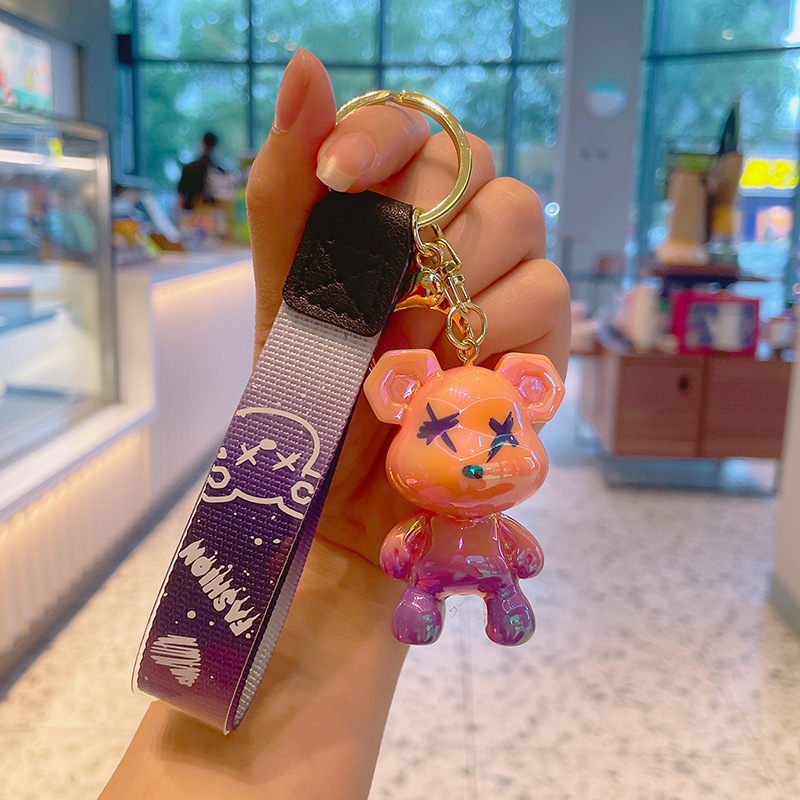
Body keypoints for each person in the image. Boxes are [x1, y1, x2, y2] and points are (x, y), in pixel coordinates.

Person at [101, 48, 570, 800]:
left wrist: (346, 579)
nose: (478, 459)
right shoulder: (368, 406)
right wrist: (330, 560)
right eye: (447, 436)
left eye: (501, 436)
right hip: (312, 549)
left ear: (533, 397)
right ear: (397, 394)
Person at [177, 131, 225, 211]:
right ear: (216, 146)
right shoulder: (220, 172)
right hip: (213, 211)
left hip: (191, 212)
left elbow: (181, 195)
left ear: (202, 142)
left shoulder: (189, 168)